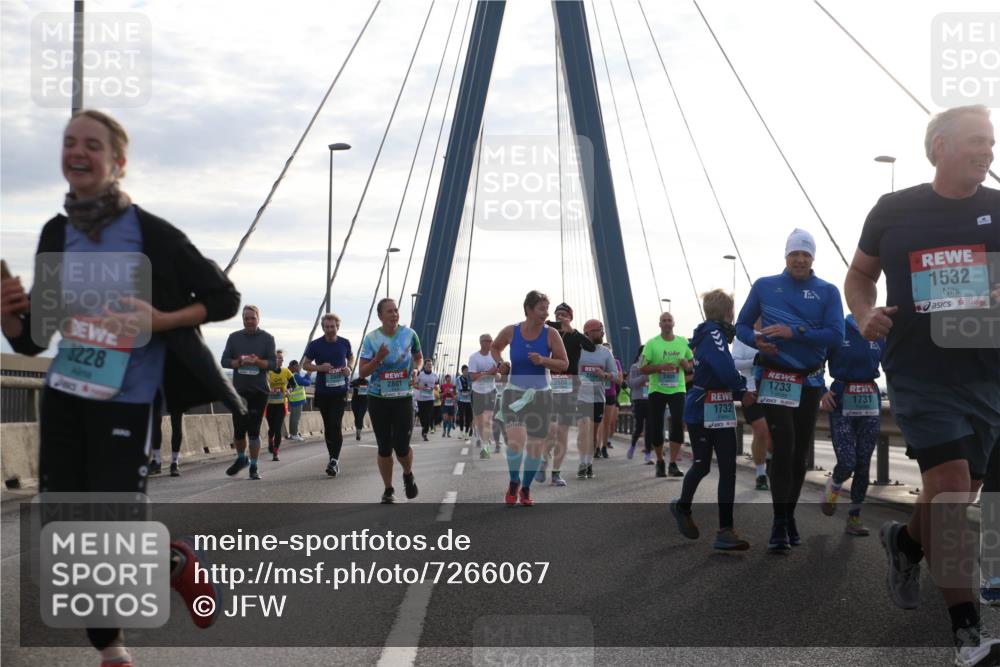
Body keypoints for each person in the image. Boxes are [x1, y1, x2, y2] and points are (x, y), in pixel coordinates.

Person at [0, 109, 239, 665]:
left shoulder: (150, 234)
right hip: (64, 395)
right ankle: (123, 632)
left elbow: (223, 298)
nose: (77, 153)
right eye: (68, 143)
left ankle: (119, 648)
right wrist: (11, 316)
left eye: (92, 145)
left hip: (127, 401)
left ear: (118, 163)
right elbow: (36, 339)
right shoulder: (57, 233)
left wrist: (159, 320)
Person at [844, 105, 999, 664]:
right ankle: (967, 633)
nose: (987, 152)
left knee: (954, 493)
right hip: (918, 371)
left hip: (986, 375)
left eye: (991, 143)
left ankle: (905, 542)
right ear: (938, 147)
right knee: (953, 490)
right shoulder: (894, 210)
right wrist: (863, 313)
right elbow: (860, 274)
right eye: (976, 142)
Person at [736, 228, 844, 553]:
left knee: (799, 457)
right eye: (795, 253)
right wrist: (755, 340)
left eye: (805, 254)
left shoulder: (827, 291)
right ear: (786, 256)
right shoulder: (765, 286)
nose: (800, 259)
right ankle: (779, 522)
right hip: (775, 377)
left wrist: (793, 331)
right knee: (784, 445)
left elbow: (836, 334)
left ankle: (789, 514)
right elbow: (741, 325)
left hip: (809, 380)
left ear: (812, 258)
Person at [669, 289, 753, 551]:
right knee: (702, 465)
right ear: (729, 313)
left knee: (728, 468)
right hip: (702, 409)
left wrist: (737, 391)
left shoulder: (715, 335)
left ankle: (725, 531)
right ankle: (682, 507)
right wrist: (742, 389)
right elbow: (724, 369)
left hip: (721, 408)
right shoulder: (713, 334)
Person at [490, 291, 569, 506]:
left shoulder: (551, 334)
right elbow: (495, 348)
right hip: (514, 393)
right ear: (529, 310)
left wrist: (543, 360)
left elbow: (564, 364)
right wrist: (500, 364)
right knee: (516, 442)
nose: (546, 313)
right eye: (542, 309)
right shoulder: (511, 331)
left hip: (541, 396)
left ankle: (525, 489)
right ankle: (514, 482)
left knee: (535, 446)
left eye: (546, 309)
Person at [818, 314, 885, 536]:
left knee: (864, 463)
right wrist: (822, 390)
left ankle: (854, 518)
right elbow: (816, 362)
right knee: (847, 461)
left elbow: (893, 366)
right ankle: (833, 486)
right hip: (841, 401)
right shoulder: (838, 330)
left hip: (870, 401)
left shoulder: (879, 332)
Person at [357, 298, 421, 504]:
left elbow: (418, 357)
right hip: (378, 398)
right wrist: (378, 358)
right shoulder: (372, 339)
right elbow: (363, 372)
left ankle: (408, 474)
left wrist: (417, 369)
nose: (394, 314)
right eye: (389, 311)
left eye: (396, 311)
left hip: (403, 397)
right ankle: (388, 489)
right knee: (384, 447)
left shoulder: (410, 334)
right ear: (380, 316)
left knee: (402, 446)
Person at [540, 302, 595, 486]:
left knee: (562, 430)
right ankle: (543, 460)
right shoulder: (549, 330)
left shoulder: (575, 335)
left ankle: (556, 473)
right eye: (557, 314)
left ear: (570, 317)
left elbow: (591, 347)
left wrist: (573, 330)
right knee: (551, 429)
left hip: (570, 384)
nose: (560, 317)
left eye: (563, 314)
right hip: (550, 382)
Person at [222, 304, 276, 480]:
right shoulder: (234, 338)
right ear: (243, 319)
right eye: (246, 318)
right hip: (240, 392)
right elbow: (224, 361)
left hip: (259, 392)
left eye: (252, 318)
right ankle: (241, 458)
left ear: (258, 319)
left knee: (253, 430)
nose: (249, 321)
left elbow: (274, 364)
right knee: (238, 431)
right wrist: (238, 363)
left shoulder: (267, 338)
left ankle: (254, 466)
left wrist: (257, 362)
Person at [641, 312, 694, 478]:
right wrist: (660, 367)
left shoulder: (682, 342)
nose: (666, 323)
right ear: (659, 324)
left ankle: (672, 463)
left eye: (669, 320)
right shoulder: (651, 343)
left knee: (678, 423)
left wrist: (687, 365)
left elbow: (691, 363)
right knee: (656, 426)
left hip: (678, 389)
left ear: (674, 323)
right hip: (657, 389)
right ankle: (659, 461)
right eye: (663, 320)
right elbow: (642, 368)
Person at [302, 313, 353, 477]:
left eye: (333, 327)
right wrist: (320, 368)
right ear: (323, 328)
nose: (330, 330)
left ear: (338, 327)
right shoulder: (315, 345)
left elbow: (350, 357)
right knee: (328, 427)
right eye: (327, 327)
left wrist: (349, 368)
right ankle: (333, 458)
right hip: (323, 392)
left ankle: (334, 461)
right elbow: (306, 365)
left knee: (335, 424)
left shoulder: (345, 343)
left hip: (339, 391)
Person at [574, 320, 617, 480]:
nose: (602, 333)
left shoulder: (606, 352)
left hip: (598, 398)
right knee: (583, 431)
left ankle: (589, 463)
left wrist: (604, 375)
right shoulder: (578, 350)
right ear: (589, 333)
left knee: (592, 434)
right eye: (600, 330)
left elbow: (615, 374)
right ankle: (582, 463)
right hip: (580, 397)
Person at [732, 326, 772, 490]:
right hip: (750, 389)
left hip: (773, 388)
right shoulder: (742, 337)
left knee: (773, 432)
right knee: (761, 430)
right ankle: (760, 474)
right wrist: (756, 358)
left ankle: (769, 459)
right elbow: (734, 363)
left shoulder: (775, 333)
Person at [469, 334, 499, 457]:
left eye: (491, 341)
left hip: (490, 391)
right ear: (481, 342)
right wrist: (489, 373)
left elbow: (499, 375)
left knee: (487, 419)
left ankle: (485, 447)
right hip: (477, 392)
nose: (490, 343)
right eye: (487, 341)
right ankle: (483, 441)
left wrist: (496, 375)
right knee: (480, 422)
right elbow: (473, 377)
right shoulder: (474, 358)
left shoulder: (495, 357)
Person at [265, 349, 294, 461]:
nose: (281, 360)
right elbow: (261, 386)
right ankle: (270, 440)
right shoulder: (268, 372)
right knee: (272, 428)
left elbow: (293, 384)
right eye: (278, 358)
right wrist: (269, 390)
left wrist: (288, 390)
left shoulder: (286, 371)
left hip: (281, 404)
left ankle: (276, 452)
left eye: (282, 358)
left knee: (278, 429)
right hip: (269, 405)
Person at [598, 344, 623, 459]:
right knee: (597, 422)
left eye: (609, 350)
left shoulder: (615, 362)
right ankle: (596, 447)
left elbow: (620, 380)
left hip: (610, 394)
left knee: (607, 422)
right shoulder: (596, 361)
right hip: (597, 393)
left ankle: (604, 447)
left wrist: (607, 375)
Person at [627, 346, 650, 462]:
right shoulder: (635, 367)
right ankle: (632, 445)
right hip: (639, 399)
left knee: (650, 427)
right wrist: (644, 378)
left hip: (651, 399)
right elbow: (631, 383)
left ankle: (648, 453)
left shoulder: (652, 367)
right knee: (639, 426)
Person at [150, 397, 184, 477]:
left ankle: (174, 462)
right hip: (159, 387)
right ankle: (156, 461)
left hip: (175, 389)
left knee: (176, 424)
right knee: (155, 421)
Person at [285, 359, 310, 441]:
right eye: (297, 366)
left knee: (293, 417)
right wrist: (309, 375)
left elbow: (302, 381)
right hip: (297, 399)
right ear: (294, 367)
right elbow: (307, 383)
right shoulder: (295, 375)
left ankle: (293, 434)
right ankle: (294, 434)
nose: (299, 367)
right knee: (296, 417)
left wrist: (306, 376)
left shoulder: (291, 374)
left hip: (293, 399)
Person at [414, 359, 438, 441]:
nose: (429, 366)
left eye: (430, 365)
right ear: (424, 366)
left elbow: (437, 385)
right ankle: (424, 427)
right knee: (422, 416)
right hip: (421, 399)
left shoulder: (435, 375)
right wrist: (420, 387)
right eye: (428, 365)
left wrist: (435, 387)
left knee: (429, 415)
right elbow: (414, 384)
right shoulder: (420, 375)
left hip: (430, 398)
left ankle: (425, 432)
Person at [457, 365, 473, 440]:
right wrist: (467, 392)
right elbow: (460, 390)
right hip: (461, 400)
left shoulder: (470, 379)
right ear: (462, 371)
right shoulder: (459, 378)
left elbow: (472, 388)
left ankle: (467, 433)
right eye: (465, 370)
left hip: (468, 401)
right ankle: (461, 432)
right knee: (461, 416)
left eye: (467, 370)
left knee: (468, 417)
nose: (466, 372)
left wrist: (470, 392)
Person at [350, 376, 370, 441]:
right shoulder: (355, 381)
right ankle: (357, 429)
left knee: (360, 417)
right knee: (356, 417)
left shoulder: (366, 382)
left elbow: (368, 386)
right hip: (355, 402)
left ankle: (358, 433)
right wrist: (352, 385)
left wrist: (357, 386)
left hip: (364, 402)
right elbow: (349, 385)